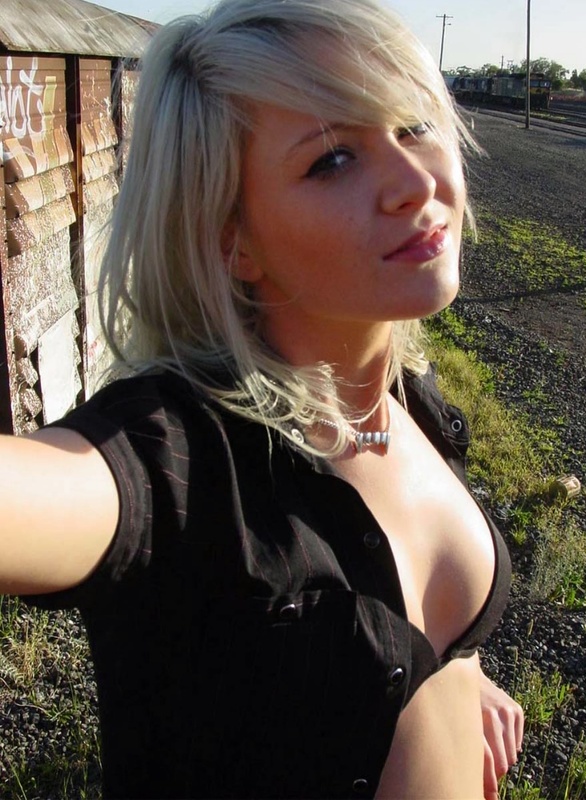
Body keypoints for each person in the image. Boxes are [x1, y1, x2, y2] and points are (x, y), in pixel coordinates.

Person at [0, 0, 524, 797]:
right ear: (232, 239)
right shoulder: (178, 456)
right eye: (332, 160)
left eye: (413, 125)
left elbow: (414, 621)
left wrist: (458, 674)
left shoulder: (406, 403)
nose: (415, 182)